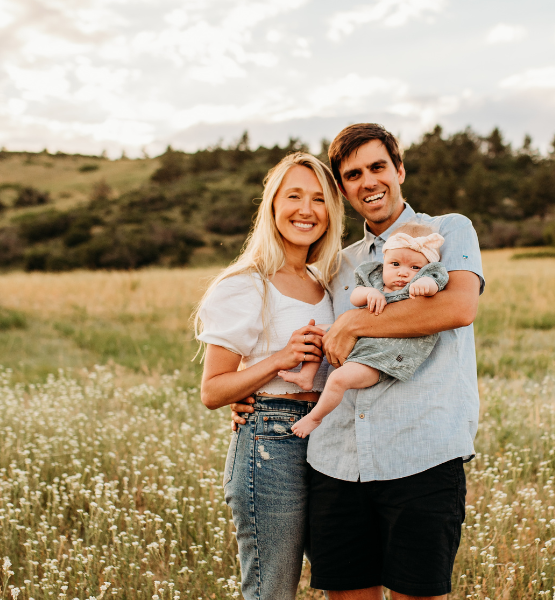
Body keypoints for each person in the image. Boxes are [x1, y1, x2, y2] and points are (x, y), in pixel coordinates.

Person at [232, 123, 485, 600]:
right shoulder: (337, 264)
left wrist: (355, 322)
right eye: (353, 175)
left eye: (377, 167)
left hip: (420, 456)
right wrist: (253, 392)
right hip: (337, 464)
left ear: (399, 169)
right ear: (343, 189)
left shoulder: (448, 230)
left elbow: (458, 307)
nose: (368, 182)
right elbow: (306, 336)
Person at [193, 152, 345, 600]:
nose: (306, 209)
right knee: (272, 590)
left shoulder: (326, 281)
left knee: (347, 578)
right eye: (293, 196)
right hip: (271, 443)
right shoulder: (246, 283)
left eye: (319, 198)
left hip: (330, 440)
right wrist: (278, 360)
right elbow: (213, 390)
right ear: (272, 204)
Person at [281, 222, 449, 438]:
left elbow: (436, 282)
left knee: (338, 379)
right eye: (395, 264)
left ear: (427, 268)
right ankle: (307, 375)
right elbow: (355, 296)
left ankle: (315, 417)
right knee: (314, 331)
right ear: (384, 261)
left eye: (415, 268)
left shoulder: (423, 282)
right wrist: (370, 293)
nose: (403, 273)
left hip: (380, 358)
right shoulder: (375, 278)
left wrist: (425, 284)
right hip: (357, 337)